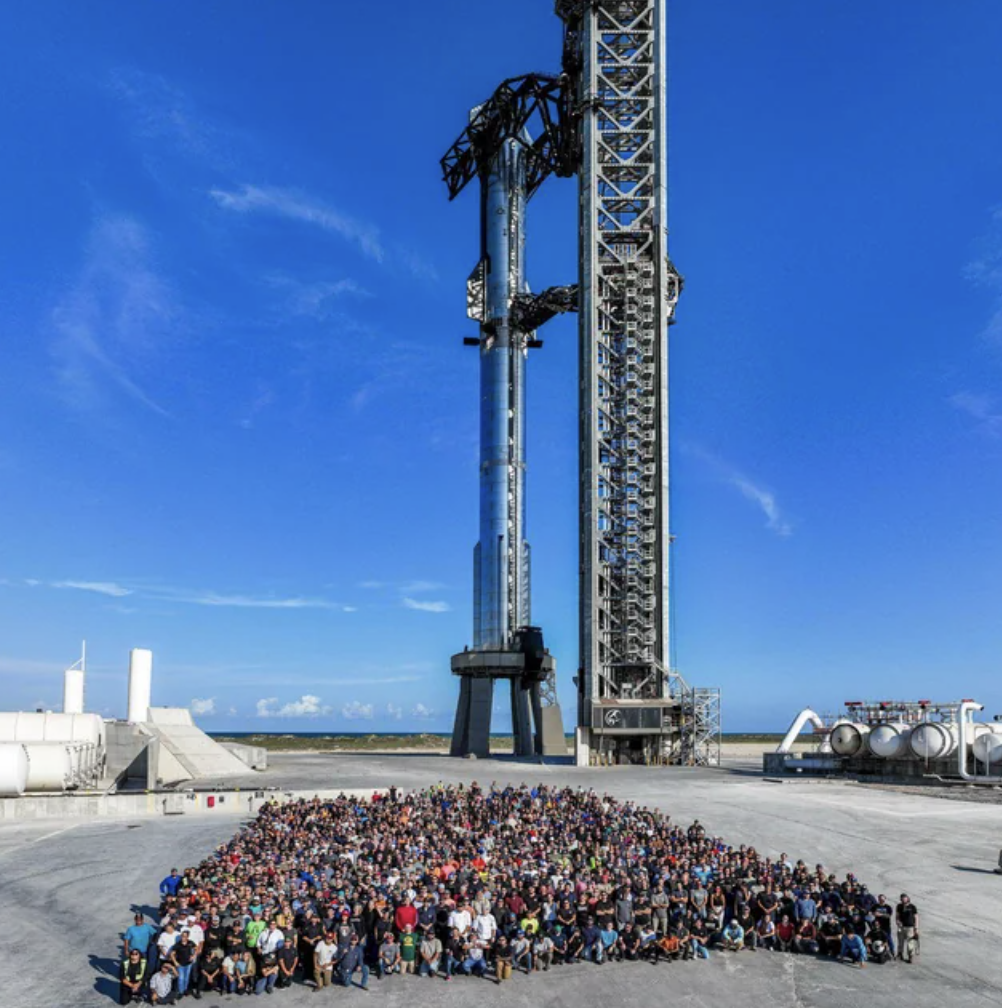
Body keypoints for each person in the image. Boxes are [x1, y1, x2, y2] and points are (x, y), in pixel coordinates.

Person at [895, 894, 919, 963]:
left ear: (907, 898)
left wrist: (916, 928)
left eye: (904, 898)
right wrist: (897, 922)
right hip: (901, 927)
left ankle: (910, 956)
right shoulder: (899, 906)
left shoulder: (912, 907)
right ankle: (900, 955)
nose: (903, 899)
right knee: (900, 942)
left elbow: (916, 918)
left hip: (910, 928)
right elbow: (897, 916)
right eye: (901, 898)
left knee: (910, 943)